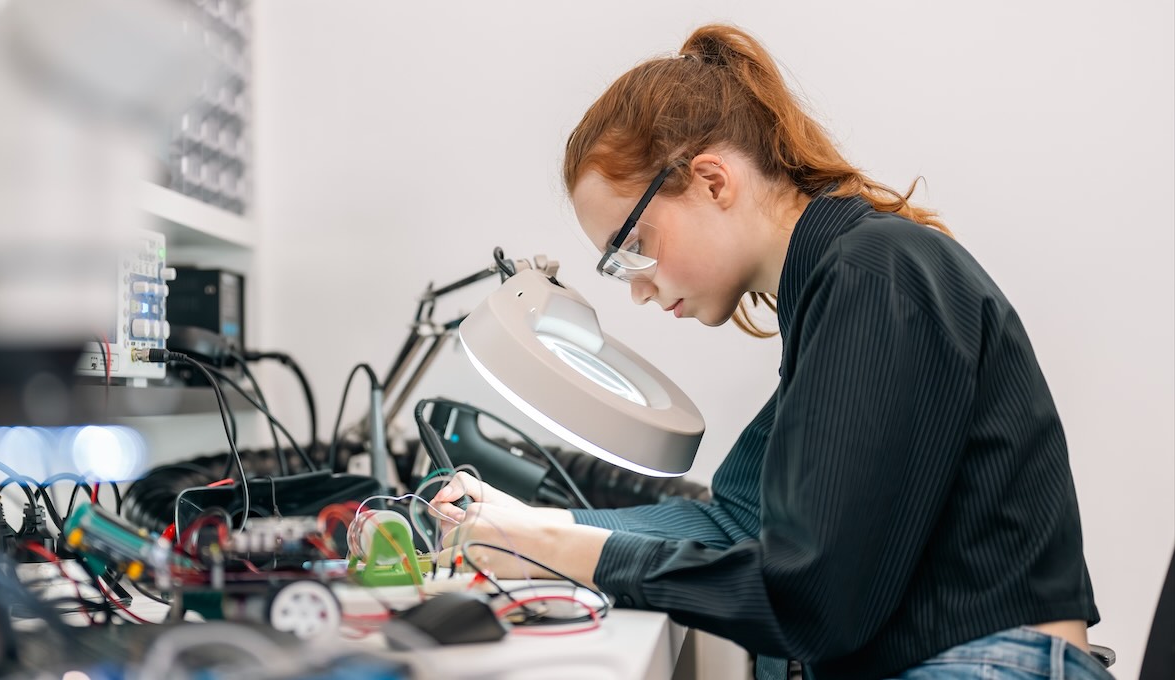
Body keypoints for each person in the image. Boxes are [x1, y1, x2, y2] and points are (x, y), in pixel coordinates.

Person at [430, 24, 1105, 680]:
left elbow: (814, 598)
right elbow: (733, 523)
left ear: (713, 181)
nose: (637, 289)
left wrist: (557, 548)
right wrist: (527, 526)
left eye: (631, 249)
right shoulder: (843, 290)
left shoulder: (877, 273)